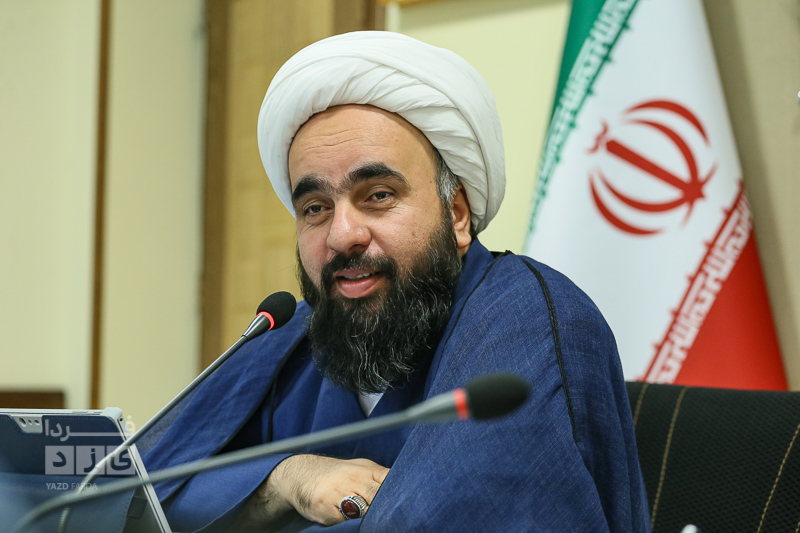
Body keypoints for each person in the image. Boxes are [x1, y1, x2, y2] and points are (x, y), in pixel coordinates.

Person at [140, 31, 650, 532]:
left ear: (456, 214)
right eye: (315, 208)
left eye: (378, 195)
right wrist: (285, 480)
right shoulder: (287, 340)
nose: (342, 235)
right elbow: (131, 492)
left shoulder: (521, 319)